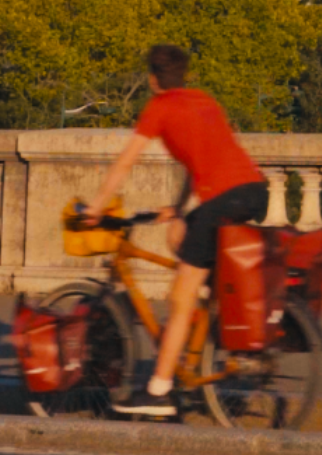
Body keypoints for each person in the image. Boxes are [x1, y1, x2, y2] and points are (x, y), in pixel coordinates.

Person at [80, 43, 267, 419]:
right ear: (184, 75)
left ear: (152, 79)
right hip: (253, 191)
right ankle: (202, 329)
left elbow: (124, 163)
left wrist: (97, 207)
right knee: (179, 235)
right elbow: (203, 159)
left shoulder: (159, 108)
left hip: (225, 199)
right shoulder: (204, 101)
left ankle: (159, 391)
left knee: (179, 297)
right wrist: (179, 208)